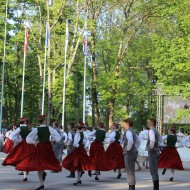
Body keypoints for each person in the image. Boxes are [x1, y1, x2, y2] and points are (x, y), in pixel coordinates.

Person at [16, 115, 62, 190]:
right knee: (48, 161)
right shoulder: (49, 128)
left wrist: (34, 142)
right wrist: (53, 140)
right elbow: (58, 138)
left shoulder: (36, 129)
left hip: (40, 146)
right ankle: (43, 176)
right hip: (47, 147)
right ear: (44, 121)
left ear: (39, 122)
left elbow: (28, 139)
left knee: (39, 163)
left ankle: (41, 183)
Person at [123, 118, 139, 190]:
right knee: (131, 171)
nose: (123, 125)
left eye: (124, 123)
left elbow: (130, 141)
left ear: (127, 123)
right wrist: (136, 149)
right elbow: (138, 141)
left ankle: (131, 187)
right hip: (133, 152)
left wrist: (128, 148)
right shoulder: (133, 131)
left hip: (129, 153)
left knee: (129, 171)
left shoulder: (128, 131)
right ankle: (132, 187)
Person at [146, 118, 161, 190]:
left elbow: (152, 140)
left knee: (153, 170)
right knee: (155, 170)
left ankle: (155, 188)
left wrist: (150, 147)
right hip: (157, 151)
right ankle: (156, 187)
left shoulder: (151, 130)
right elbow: (160, 140)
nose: (148, 124)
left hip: (152, 152)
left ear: (152, 123)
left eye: (149, 122)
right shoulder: (156, 131)